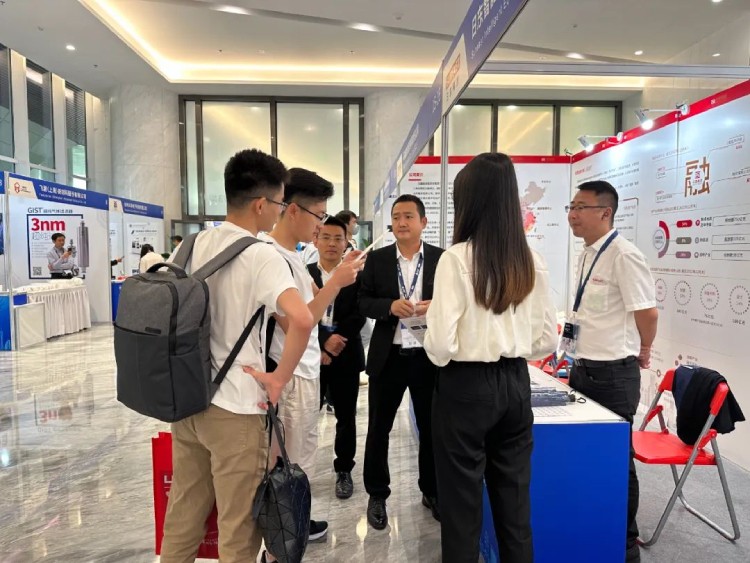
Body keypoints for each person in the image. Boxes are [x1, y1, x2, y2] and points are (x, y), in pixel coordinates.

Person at [159, 149, 314, 563]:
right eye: (279, 203)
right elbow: (301, 319)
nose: (279, 211)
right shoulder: (261, 254)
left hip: (188, 401)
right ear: (261, 204)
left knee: (183, 517)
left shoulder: (191, 245)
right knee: (238, 531)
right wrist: (279, 378)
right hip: (237, 410)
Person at [424, 153, 558, 563]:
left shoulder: (456, 258)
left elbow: (441, 346)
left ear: (469, 202)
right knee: (515, 507)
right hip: (516, 383)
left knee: (461, 509)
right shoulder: (531, 259)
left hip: (464, 387)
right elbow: (546, 340)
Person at [258, 167, 362, 559]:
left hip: (302, 372)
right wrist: (336, 284)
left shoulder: (292, 258)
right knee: (286, 465)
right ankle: (279, 548)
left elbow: (309, 309)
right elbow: (297, 322)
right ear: (293, 210)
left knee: (298, 461)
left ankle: (293, 529)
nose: (321, 227)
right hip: (289, 376)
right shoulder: (272, 257)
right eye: (318, 216)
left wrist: (328, 285)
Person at [565, 180, 658, 563]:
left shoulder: (624, 255)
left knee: (618, 460)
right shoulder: (588, 253)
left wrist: (645, 349)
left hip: (614, 376)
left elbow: (648, 312)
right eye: (571, 207)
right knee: (589, 455)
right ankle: (594, 523)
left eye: (580, 207)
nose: (573, 215)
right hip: (583, 370)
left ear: (605, 212)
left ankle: (625, 542)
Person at [358, 193, 443, 530]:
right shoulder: (377, 260)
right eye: (396, 217)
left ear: (423, 222)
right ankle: (377, 494)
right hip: (388, 357)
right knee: (379, 429)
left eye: (408, 216)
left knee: (432, 428)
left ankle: (431, 490)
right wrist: (389, 307)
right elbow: (363, 301)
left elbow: (456, 302)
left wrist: (436, 306)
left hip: (428, 357)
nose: (401, 222)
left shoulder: (441, 259)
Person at [307, 216, 366, 499]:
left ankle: (344, 469)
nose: (331, 243)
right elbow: (299, 313)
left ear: (346, 243)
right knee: (307, 416)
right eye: (326, 237)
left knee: (346, 416)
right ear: (316, 240)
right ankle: (301, 470)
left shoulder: (355, 274)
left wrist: (335, 342)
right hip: (311, 355)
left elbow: (360, 312)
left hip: (346, 354)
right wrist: (322, 341)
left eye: (338, 239)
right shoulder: (304, 273)